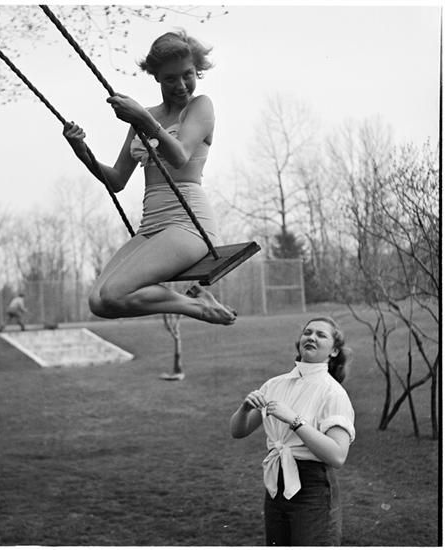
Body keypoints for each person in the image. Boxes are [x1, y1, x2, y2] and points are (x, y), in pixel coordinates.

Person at [62, 30, 236, 326]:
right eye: (170, 78)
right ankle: (197, 303)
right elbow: (116, 180)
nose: (181, 85)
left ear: (196, 70)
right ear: (156, 77)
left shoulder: (199, 106)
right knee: (99, 302)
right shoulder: (144, 116)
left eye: (187, 74)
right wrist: (82, 151)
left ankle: (197, 306)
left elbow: (180, 155)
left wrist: (143, 119)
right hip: (151, 224)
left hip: (188, 223)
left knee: (114, 293)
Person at [230, 317, 355, 546]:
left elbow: (338, 455)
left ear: (334, 351)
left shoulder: (333, 393)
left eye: (321, 335)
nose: (311, 337)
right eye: (308, 332)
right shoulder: (274, 385)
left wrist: (294, 421)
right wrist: (245, 408)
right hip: (276, 485)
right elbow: (238, 431)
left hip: (313, 490)